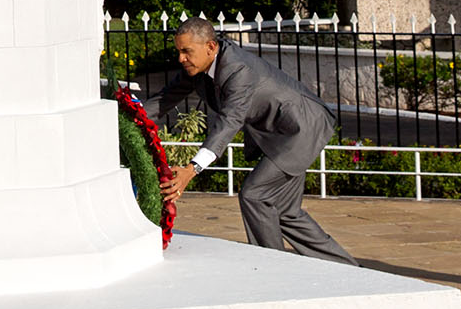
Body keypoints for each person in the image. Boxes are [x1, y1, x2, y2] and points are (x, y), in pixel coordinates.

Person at [131, 18, 356, 264]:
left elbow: (229, 122)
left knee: (255, 195)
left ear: (210, 47)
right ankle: (349, 268)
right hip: (278, 134)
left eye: (186, 51)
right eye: (179, 51)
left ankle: (272, 267)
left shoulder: (238, 70)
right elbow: (164, 100)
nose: (180, 59)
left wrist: (191, 169)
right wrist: (125, 116)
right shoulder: (197, 69)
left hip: (301, 128)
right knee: (285, 212)